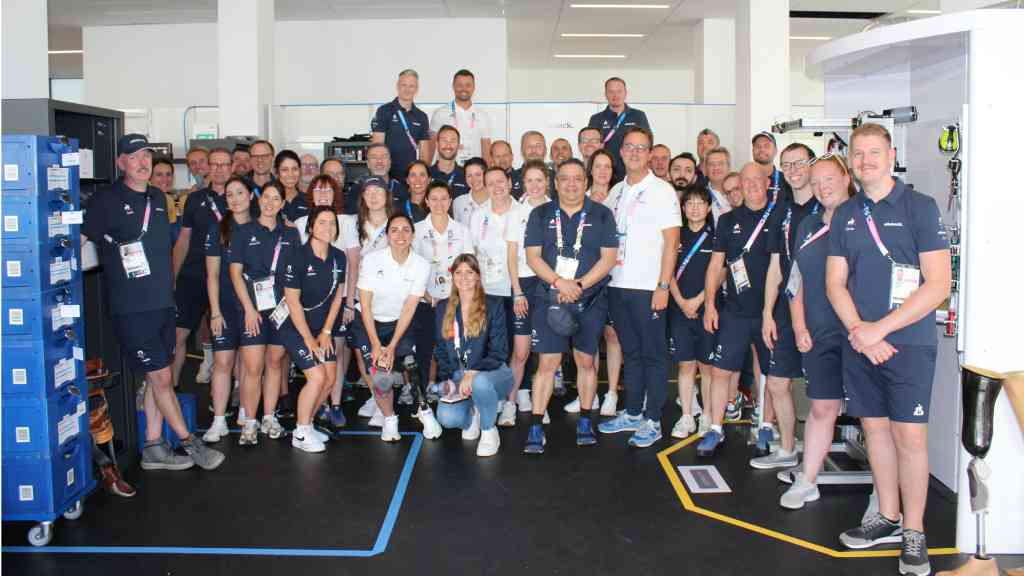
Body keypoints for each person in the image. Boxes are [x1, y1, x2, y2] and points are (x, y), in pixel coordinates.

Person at [827, 124, 950, 576]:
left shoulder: (920, 207)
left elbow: (938, 285)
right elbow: (835, 282)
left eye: (874, 153)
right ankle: (888, 515)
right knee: (874, 432)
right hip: (860, 342)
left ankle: (915, 532)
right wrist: (860, 330)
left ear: (891, 154)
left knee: (910, 438)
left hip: (908, 344)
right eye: (858, 155)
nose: (865, 161)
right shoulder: (845, 214)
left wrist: (881, 329)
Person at [81, 133, 223, 471]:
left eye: (146, 156)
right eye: (134, 157)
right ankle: (190, 442)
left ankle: (153, 446)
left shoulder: (159, 198)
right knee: (161, 378)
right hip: (132, 307)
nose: (143, 162)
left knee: (157, 379)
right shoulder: (106, 201)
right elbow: (79, 240)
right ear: (121, 163)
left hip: (162, 302)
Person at [524, 158, 618, 453]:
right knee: (547, 364)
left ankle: (586, 420)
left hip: (589, 299)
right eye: (565, 178)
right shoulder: (539, 214)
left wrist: (578, 285)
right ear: (556, 182)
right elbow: (533, 256)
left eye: (578, 178)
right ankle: (537, 425)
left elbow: (608, 258)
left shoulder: (602, 214)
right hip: (548, 298)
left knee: (586, 362)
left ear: (586, 181)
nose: (571, 184)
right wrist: (558, 283)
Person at [779, 153, 854, 509]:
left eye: (830, 179)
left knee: (874, 419)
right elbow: (796, 279)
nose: (823, 187)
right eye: (817, 180)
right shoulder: (808, 225)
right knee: (822, 407)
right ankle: (808, 480)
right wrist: (798, 325)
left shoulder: (860, 220)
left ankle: (885, 501)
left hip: (859, 335)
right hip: (820, 333)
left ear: (846, 178)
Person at [598, 127, 681, 448]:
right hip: (617, 285)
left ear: (650, 154)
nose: (634, 152)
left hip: (648, 288)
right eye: (629, 147)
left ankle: (652, 420)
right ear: (621, 151)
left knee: (654, 356)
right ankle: (632, 412)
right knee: (630, 353)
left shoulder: (662, 191)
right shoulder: (616, 192)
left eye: (641, 148)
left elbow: (672, 242)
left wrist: (662, 285)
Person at [697, 162, 787, 458]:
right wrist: (710, 304)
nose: (750, 185)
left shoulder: (779, 216)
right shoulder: (727, 220)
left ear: (767, 182)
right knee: (721, 371)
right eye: (744, 181)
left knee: (769, 372)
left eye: (755, 180)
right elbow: (715, 265)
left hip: (771, 312)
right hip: (735, 311)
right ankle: (714, 428)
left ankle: (766, 423)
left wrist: (769, 312)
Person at [755, 143, 821, 461]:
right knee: (778, 383)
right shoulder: (781, 211)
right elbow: (774, 266)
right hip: (784, 309)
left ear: (812, 165)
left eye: (799, 163)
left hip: (819, 312)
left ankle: (815, 458)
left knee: (823, 393)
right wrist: (768, 312)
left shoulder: (826, 209)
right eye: (787, 165)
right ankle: (786, 448)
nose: (793, 170)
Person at [229, 181, 300, 445]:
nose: (270, 203)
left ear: (283, 204)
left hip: (280, 309)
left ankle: (269, 416)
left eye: (276, 199)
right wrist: (248, 308)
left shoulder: (291, 235)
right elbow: (234, 273)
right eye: (266, 198)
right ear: (259, 201)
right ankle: (249, 421)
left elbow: (295, 275)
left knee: (274, 362)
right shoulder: (243, 232)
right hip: (252, 308)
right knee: (252, 366)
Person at [355, 213, 431, 442]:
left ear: (413, 235)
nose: (400, 235)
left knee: (411, 364)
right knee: (381, 378)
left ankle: (424, 412)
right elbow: (366, 306)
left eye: (406, 230)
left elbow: (409, 309)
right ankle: (389, 419)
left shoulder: (421, 265)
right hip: (369, 322)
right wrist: (377, 346)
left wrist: (393, 345)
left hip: (399, 322)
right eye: (394, 230)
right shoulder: (371, 260)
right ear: (387, 235)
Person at [278, 206, 348, 453]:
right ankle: (301, 430)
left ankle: (306, 424)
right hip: (296, 328)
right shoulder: (296, 257)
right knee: (317, 377)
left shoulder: (339, 257)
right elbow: (293, 302)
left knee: (329, 380)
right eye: (322, 223)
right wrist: (308, 338)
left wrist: (327, 332)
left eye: (332, 223)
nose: (328, 228)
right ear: (310, 227)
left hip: (322, 329)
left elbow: (338, 296)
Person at [293, 175, 361, 429]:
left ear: (336, 194)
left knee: (336, 352)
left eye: (329, 190)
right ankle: (313, 409)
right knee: (315, 361)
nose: (323, 194)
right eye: (318, 189)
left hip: (338, 300)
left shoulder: (346, 222)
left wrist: (349, 302)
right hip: (307, 305)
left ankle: (334, 404)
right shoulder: (300, 223)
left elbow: (352, 263)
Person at [433, 254, 513, 456]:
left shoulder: (493, 305)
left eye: (470, 272)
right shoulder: (443, 307)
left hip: (493, 373)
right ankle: (473, 415)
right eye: (458, 272)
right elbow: (442, 351)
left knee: (480, 383)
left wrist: (474, 372)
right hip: (460, 374)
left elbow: (499, 352)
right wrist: (450, 381)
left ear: (478, 276)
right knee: (447, 418)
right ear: (452, 276)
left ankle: (489, 430)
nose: (464, 277)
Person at [411, 181, 473, 431]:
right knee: (426, 350)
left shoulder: (462, 231)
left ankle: (455, 393)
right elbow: (411, 267)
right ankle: (424, 402)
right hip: (426, 300)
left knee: (452, 349)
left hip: (455, 300)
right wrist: (425, 295)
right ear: (426, 201)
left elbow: (468, 266)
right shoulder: (415, 231)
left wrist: (457, 297)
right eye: (433, 199)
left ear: (450, 202)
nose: (438, 203)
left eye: (443, 199)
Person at [172, 147, 233, 390]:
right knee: (177, 336)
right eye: (214, 164)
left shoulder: (240, 197)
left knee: (229, 343)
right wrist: (173, 279)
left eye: (224, 164)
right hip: (194, 276)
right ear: (207, 167)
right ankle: (172, 391)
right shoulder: (195, 200)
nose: (219, 169)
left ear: (232, 167)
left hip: (227, 279)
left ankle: (233, 399)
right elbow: (183, 240)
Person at [202, 176, 253, 442]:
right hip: (224, 307)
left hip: (251, 308)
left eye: (240, 193)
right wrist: (215, 311)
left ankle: (246, 410)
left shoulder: (259, 227)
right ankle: (219, 420)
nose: (235, 199)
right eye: (230, 194)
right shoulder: (217, 230)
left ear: (251, 196)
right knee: (223, 362)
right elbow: (211, 275)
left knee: (247, 362)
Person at [503, 160, 552, 424]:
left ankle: (538, 405)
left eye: (539, 180)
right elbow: (512, 256)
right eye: (529, 180)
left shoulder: (556, 211)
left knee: (545, 350)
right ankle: (510, 403)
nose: (534, 185)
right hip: (523, 284)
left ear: (547, 182)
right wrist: (518, 291)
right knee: (521, 352)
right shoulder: (516, 213)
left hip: (547, 285)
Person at [668, 184, 715, 439]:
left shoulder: (716, 236)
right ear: (683, 208)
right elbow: (668, 272)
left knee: (707, 367)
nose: (695, 207)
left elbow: (719, 273)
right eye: (690, 203)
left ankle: (707, 415)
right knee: (685, 366)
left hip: (707, 309)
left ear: (708, 208)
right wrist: (682, 302)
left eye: (700, 203)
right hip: (679, 310)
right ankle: (686, 416)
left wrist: (699, 301)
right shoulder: (676, 236)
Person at [579, 148, 623, 416]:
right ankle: (589, 394)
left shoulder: (621, 195)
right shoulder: (579, 198)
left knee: (612, 335)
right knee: (589, 339)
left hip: (615, 277)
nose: (603, 171)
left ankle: (612, 393)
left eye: (608, 166)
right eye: (598, 166)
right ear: (591, 169)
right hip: (586, 279)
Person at [353, 177, 398, 421]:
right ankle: (374, 395)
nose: (373, 196)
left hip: (390, 300)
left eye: (378, 191)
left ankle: (384, 401)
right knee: (364, 352)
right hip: (362, 298)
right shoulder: (353, 224)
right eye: (367, 191)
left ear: (387, 195)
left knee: (383, 353)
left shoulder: (396, 224)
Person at [587, 77, 651, 181]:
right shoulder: (596, 119)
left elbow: (647, 144)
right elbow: (591, 148)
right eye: (611, 91)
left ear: (625, 93)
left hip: (632, 173)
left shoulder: (638, 116)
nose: (615, 95)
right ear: (605, 94)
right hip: (605, 175)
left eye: (619, 91)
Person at [372, 69, 430, 181]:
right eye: (404, 85)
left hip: (411, 177)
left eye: (411, 86)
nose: (407, 89)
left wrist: (423, 176)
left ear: (416, 89)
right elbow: (377, 148)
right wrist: (381, 175)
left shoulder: (422, 117)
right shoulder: (384, 111)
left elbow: (424, 152)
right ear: (397, 86)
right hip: (387, 174)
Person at [430, 69, 492, 166]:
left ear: (473, 87)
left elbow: (486, 150)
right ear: (453, 86)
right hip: (447, 172)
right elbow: (431, 146)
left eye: (468, 85)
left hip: (474, 175)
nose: (464, 89)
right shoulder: (440, 113)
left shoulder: (482, 116)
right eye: (460, 85)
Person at [365, 143, 410, 207]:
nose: (379, 161)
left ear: (390, 162)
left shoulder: (401, 190)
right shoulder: (357, 189)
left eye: (384, 156)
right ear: (368, 163)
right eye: (374, 157)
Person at [429, 125, 469, 198]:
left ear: (458, 145)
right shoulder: (427, 175)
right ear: (437, 144)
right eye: (444, 140)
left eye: (453, 141)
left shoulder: (467, 176)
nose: (448, 145)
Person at [752, 131, 791, 205]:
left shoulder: (786, 180)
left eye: (766, 146)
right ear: (752, 151)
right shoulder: (744, 180)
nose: (762, 149)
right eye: (757, 146)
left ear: (775, 151)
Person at [149, 157, 179, 244]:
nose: (165, 179)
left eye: (168, 174)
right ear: (149, 177)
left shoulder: (172, 201)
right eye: (159, 175)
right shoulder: (144, 204)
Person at [453, 157, 490, 226]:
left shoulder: (496, 200)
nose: (474, 179)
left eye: (478, 175)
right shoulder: (458, 202)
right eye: (469, 176)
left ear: (486, 175)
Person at [510, 131, 547, 199]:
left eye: (538, 146)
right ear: (522, 150)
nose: (533, 150)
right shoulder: (510, 178)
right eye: (529, 146)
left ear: (545, 150)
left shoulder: (556, 177)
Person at [276, 150, 309, 224]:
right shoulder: (270, 200)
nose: (290, 174)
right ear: (276, 172)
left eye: (294, 169)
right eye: (285, 170)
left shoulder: (309, 200)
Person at [704, 147, 733, 224]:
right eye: (711, 164)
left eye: (720, 163)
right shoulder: (700, 195)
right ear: (706, 169)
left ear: (729, 167)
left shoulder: (742, 192)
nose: (716, 168)